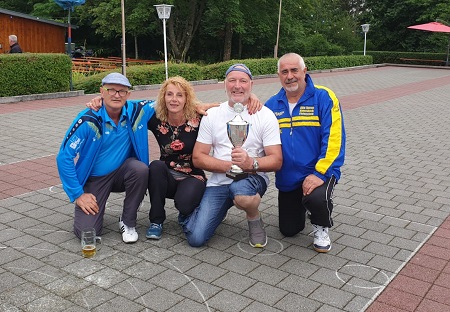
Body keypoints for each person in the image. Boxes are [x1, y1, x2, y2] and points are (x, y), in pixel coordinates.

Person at [87, 77, 262, 241]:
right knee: (154, 167)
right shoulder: (155, 118)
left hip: (193, 175)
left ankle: (193, 211)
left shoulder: (199, 116)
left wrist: (251, 96)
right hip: (165, 175)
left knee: (185, 205)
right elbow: (126, 106)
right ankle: (156, 220)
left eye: (179, 95)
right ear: (163, 97)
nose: (174, 99)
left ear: (187, 98)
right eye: (169, 94)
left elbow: (229, 107)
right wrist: (102, 100)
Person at [181, 63, 282, 248]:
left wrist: (250, 163)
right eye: (232, 81)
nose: (237, 86)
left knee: (242, 194)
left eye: (243, 81)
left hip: (252, 178)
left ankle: (253, 217)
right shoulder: (212, 115)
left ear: (251, 85)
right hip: (219, 182)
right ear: (224, 84)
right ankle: (208, 213)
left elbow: (276, 160)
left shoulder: (265, 115)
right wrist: (231, 167)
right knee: (196, 238)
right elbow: (198, 157)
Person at [56, 73, 154, 243]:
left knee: (141, 169)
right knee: (87, 233)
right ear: (102, 91)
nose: (117, 95)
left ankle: (127, 221)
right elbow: (64, 157)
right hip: (95, 180)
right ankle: (89, 205)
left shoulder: (137, 110)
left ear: (128, 95)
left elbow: (171, 101)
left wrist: (200, 106)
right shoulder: (88, 119)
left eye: (122, 91)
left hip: (122, 173)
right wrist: (78, 195)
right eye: (111, 90)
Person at [265, 53, 346, 253]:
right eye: (284, 72)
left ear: (304, 71)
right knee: (289, 230)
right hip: (288, 177)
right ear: (279, 75)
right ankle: (303, 205)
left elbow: (334, 139)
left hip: (319, 172)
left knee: (317, 199)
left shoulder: (324, 97)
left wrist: (319, 173)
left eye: (294, 70)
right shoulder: (271, 105)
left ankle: (321, 225)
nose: (290, 76)